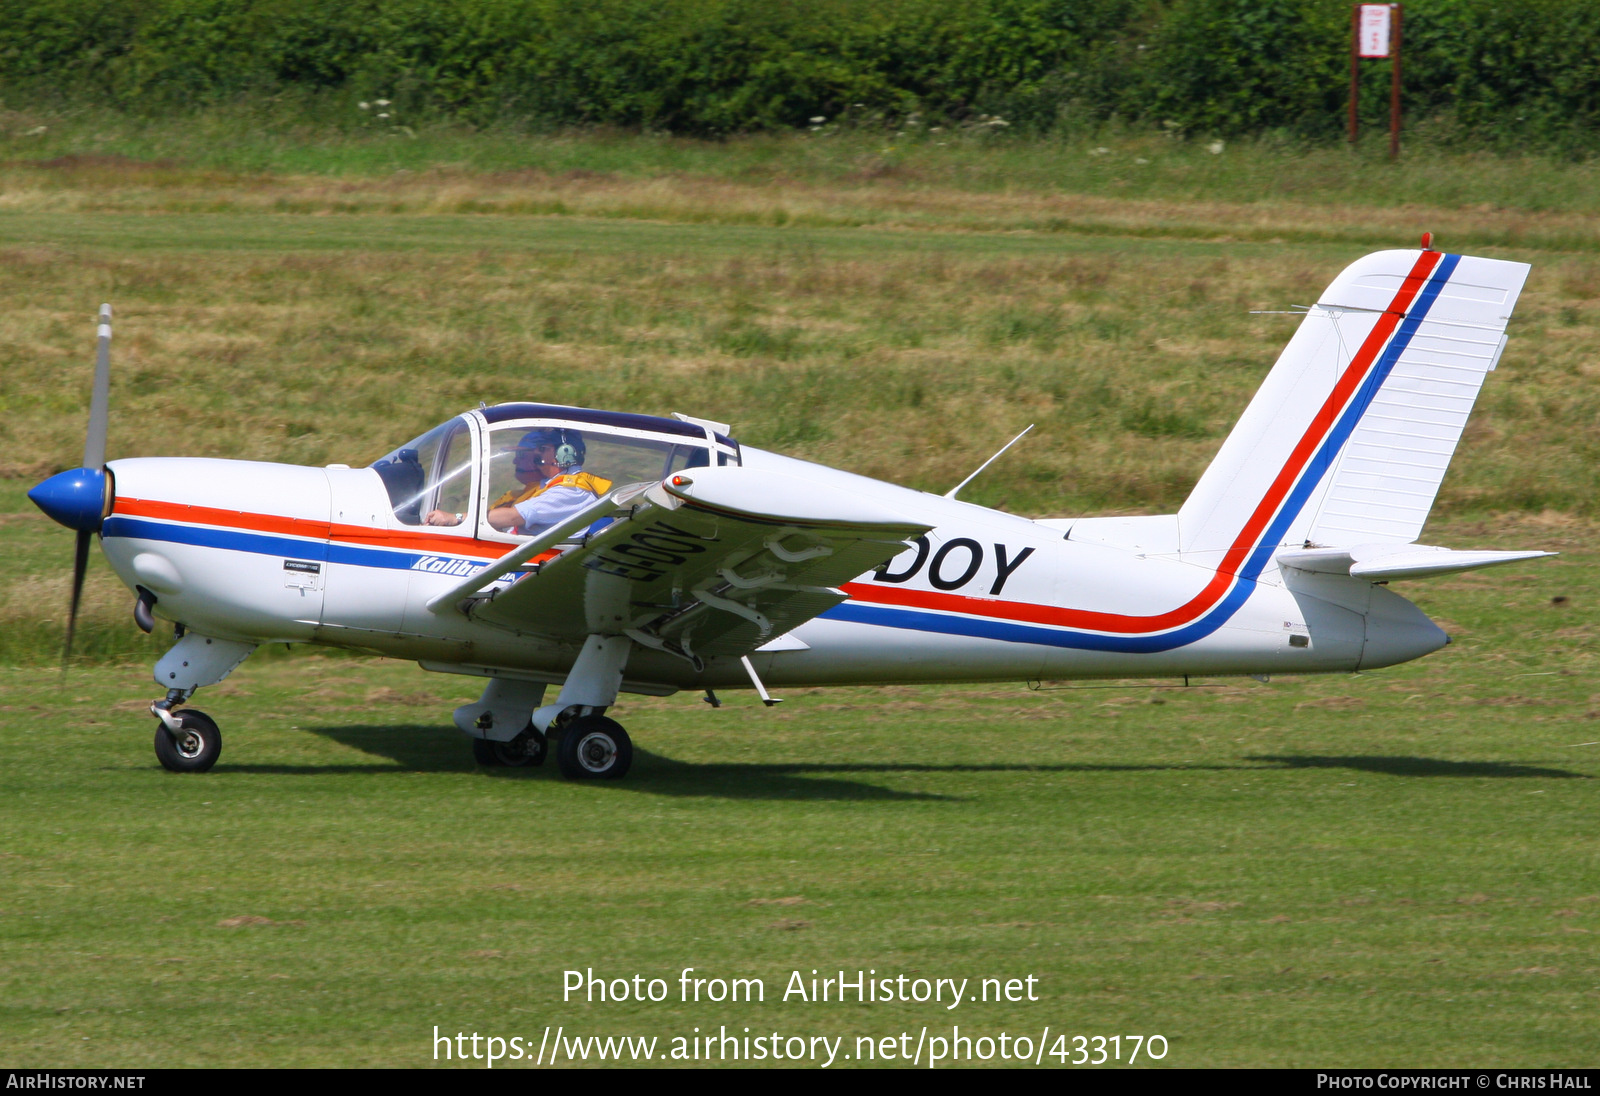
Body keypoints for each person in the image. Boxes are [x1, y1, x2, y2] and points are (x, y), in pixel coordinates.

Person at [425, 429, 612, 534]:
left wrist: (455, 518)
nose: (516, 461)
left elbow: (514, 517)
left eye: (523, 454)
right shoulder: (543, 488)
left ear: (560, 453)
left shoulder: (571, 491)